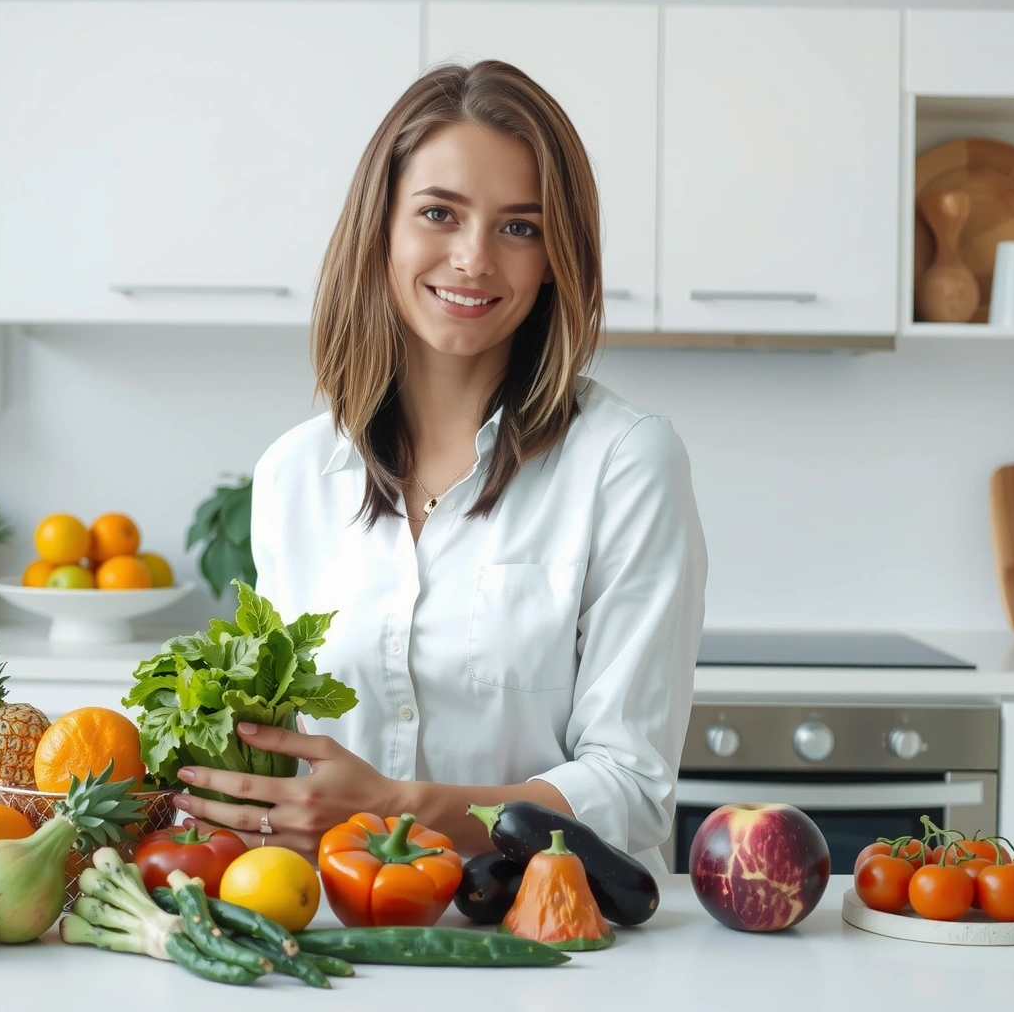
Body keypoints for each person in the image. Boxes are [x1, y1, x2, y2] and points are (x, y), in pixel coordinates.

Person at [173, 60, 707, 873]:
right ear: (381, 226)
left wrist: (396, 809)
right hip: (338, 926)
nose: (473, 258)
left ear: (556, 257)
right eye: (438, 213)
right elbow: (294, 760)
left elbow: (630, 791)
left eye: (520, 227)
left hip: (544, 933)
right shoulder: (294, 475)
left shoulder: (626, 463)